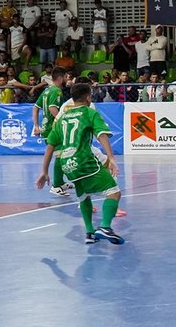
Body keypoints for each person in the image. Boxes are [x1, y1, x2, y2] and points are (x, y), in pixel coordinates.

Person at [36, 82, 124, 244]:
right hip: (84, 160)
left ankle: (90, 233)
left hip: (67, 164)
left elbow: (50, 145)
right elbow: (102, 134)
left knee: (83, 197)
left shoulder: (62, 118)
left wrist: (44, 171)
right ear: (88, 97)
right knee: (114, 192)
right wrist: (111, 158)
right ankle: (105, 226)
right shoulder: (89, 112)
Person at [32, 67, 71, 197]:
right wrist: (64, 121)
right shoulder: (56, 91)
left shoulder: (47, 90)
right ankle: (56, 186)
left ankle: (60, 182)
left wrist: (36, 126)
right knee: (60, 156)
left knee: (61, 155)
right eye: (66, 77)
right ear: (60, 78)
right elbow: (53, 108)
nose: (67, 79)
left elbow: (35, 107)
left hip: (45, 128)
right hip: (52, 128)